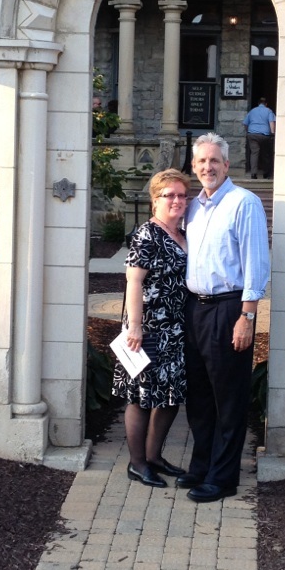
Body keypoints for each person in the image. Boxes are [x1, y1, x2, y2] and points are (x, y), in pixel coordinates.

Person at [178, 132, 270, 503]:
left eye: (214, 160)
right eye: (201, 161)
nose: (208, 167)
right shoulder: (193, 207)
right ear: (194, 166)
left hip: (229, 309)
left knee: (228, 397)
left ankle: (223, 477)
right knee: (199, 396)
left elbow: (256, 264)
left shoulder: (243, 203)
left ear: (227, 165)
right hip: (194, 309)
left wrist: (247, 317)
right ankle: (202, 465)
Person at [112, 169, 191, 488]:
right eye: (169, 195)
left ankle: (154, 457)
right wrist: (134, 327)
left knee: (170, 396)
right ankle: (137, 464)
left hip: (177, 330)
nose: (177, 200)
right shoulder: (148, 233)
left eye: (182, 195)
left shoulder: (183, 234)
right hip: (147, 329)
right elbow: (134, 280)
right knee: (141, 397)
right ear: (155, 200)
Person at [243, 97, 276, 179]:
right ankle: (266, 173)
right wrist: (272, 133)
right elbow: (271, 122)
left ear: (258, 103)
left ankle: (253, 174)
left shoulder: (252, 111)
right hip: (265, 135)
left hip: (252, 134)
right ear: (266, 104)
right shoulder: (269, 111)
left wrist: (248, 131)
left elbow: (245, 123)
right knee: (265, 154)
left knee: (254, 153)